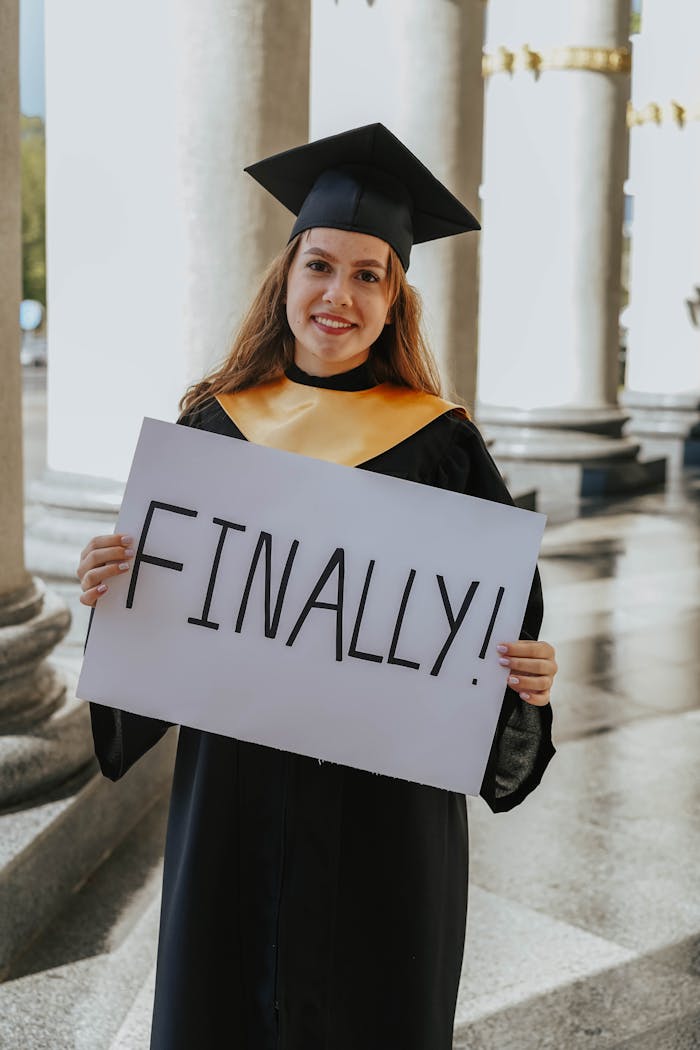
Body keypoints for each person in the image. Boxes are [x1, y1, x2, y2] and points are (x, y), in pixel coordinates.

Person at [77, 124, 558, 1050]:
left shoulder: (443, 444)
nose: (339, 295)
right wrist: (114, 593)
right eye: (320, 266)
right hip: (236, 797)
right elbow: (167, 630)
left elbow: (502, 631)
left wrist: (525, 680)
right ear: (286, 279)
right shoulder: (214, 427)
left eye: (369, 275)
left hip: (388, 808)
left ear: (394, 301)